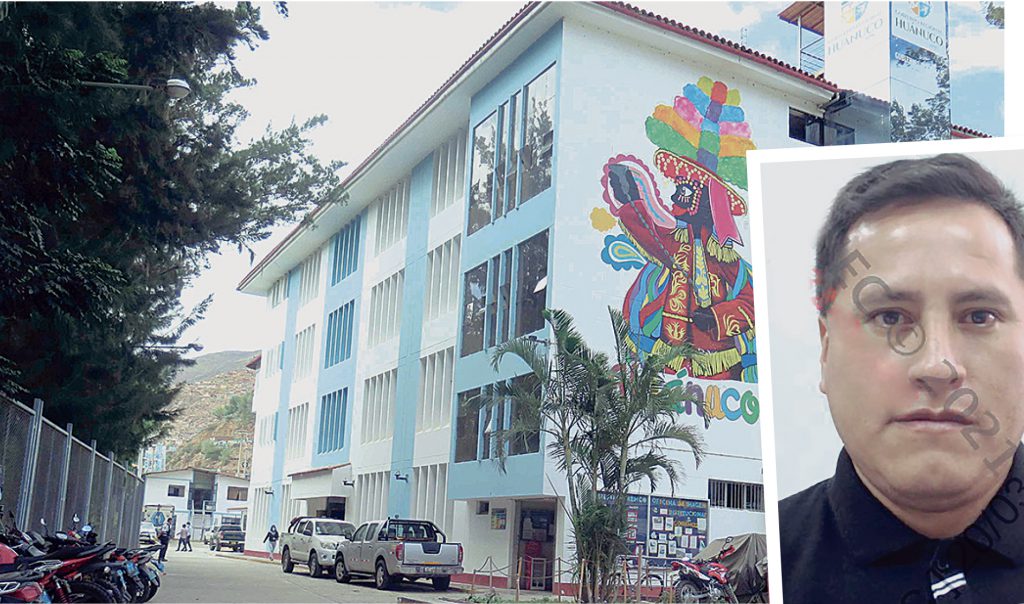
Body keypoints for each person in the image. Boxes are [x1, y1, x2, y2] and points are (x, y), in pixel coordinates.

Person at [780, 153, 1024, 603]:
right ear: (826, 348)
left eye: (979, 316)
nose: (937, 366)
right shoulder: (761, 571)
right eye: (891, 317)